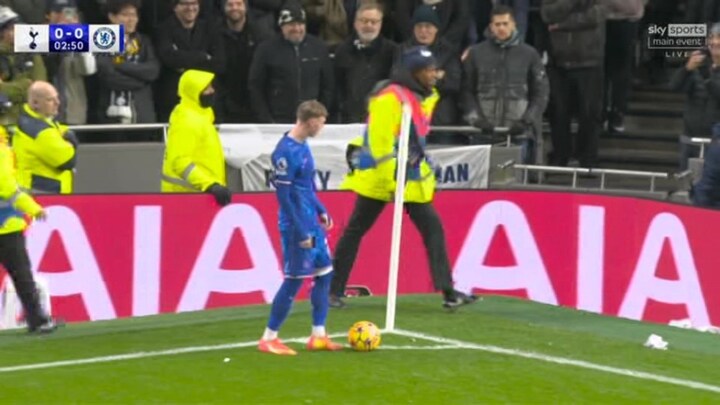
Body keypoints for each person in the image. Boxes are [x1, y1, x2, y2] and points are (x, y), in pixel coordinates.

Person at [329, 46, 478, 309]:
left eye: (435, 69)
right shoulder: (390, 99)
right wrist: (391, 181)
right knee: (355, 230)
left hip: (409, 178)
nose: (435, 75)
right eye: (429, 70)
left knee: (433, 230)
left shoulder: (425, 97)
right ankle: (332, 291)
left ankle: (448, 291)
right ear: (415, 73)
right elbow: (379, 143)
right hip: (381, 178)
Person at [258, 100, 343, 356]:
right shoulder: (285, 152)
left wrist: (320, 209)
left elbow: (306, 186)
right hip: (296, 226)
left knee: (325, 273)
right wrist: (301, 230)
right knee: (294, 280)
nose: (323, 126)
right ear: (309, 121)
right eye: (321, 121)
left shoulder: (303, 145)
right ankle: (269, 338)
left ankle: (318, 334)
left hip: (310, 222)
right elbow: (284, 196)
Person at [0, 93, 58, 334]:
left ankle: (38, 318)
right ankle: (38, 319)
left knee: (22, 274)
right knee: (21, 274)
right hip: (6, 223)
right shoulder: (2, 147)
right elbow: (6, 186)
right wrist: (32, 207)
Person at [161, 69, 231, 207]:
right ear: (194, 92)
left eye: (211, 86)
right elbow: (180, 162)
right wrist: (209, 185)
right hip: (185, 199)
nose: (211, 91)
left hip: (197, 195)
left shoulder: (201, 115)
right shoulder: (187, 121)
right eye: (206, 89)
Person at [13, 81, 77, 194]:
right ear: (35, 103)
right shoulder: (41, 131)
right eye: (50, 100)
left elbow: (57, 129)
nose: (57, 103)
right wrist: (71, 140)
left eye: (57, 98)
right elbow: (68, 161)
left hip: (39, 189)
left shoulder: (32, 120)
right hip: (43, 192)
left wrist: (64, 134)